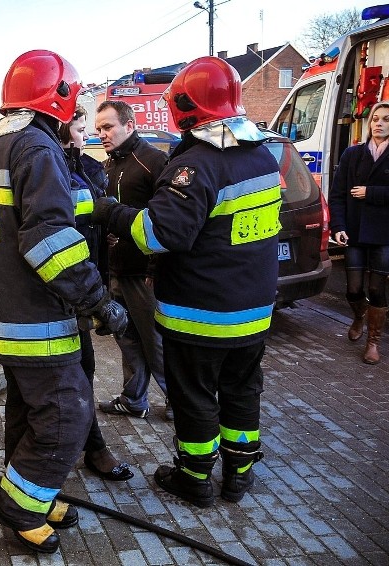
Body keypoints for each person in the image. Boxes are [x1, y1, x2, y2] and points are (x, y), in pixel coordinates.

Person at [0, 50, 127, 553]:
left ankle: (34, 492)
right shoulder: (37, 149)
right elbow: (48, 241)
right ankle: (18, 507)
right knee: (65, 415)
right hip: (36, 318)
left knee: (28, 412)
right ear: (61, 97)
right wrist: (99, 302)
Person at [92, 57, 281, 507]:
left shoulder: (196, 165)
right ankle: (239, 473)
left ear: (185, 107)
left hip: (201, 314)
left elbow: (159, 235)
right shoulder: (262, 155)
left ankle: (194, 476)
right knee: (242, 390)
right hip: (253, 312)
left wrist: (108, 212)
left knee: (195, 395)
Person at [59, 105, 133, 482]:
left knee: (84, 368)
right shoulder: (44, 166)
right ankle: (81, 448)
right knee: (57, 379)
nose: (87, 134)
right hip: (56, 291)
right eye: (81, 127)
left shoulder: (88, 169)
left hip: (85, 286)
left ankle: (92, 447)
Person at [92, 100, 171, 421]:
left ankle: (181, 405)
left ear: (130, 124)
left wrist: (154, 267)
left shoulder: (154, 161)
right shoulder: (110, 165)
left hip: (144, 274)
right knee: (127, 340)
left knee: (156, 344)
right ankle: (133, 399)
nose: (102, 134)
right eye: (98, 129)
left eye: (108, 127)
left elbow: (166, 221)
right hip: (118, 270)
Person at [330, 100, 389, 364]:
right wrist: (339, 226)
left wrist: (371, 193)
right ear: (369, 123)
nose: (379, 123)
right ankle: (359, 315)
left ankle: (373, 343)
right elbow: (338, 195)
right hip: (355, 231)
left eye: (387, 119)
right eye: (375, 119)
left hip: (385, 233)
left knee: (377, 288)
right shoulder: (352, 154)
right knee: (353, 289)